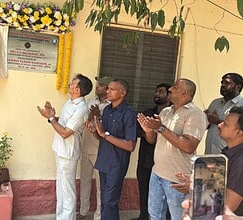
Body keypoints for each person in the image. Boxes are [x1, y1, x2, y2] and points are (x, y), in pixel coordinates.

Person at [137, 78, 207, 220]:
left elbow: (189, 146)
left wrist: (161, 128)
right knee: (154, 214)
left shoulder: (195, 114)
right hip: (157, 173)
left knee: (178, 217)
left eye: (175, 87)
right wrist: (149, 131)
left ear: (185, 93)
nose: (170, 89)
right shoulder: (166, 112)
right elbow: (154, 140)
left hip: (177, 178)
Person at [37, 74, 93, 220]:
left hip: (68, 153)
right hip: (60, 149)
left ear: (78, 89)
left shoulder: (81, 109)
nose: (69, 84)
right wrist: (51, 116)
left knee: (68, 190)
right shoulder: (70, 103)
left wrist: (50, 118)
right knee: (61, 188)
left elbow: (65, 133)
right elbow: (61, 124)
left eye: (72, 83)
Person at [87, 78, 137, 220]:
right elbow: (101, 137)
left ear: (122, 93)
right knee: (104, 201)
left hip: (116, 164)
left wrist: (105, 134)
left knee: (110, 202)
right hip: (103, 161)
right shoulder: (107, 110)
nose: (107, 91)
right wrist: (95, 131)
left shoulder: (128, 113)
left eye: (112, 89)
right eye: (107, 88)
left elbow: (130, 146)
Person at [134, 83, 171, 220]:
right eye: (156, 91)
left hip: (165, 163)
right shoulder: (147, 113)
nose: (157, 94)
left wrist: (158, 130)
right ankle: (143, 216)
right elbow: (137, 131)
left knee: (164, 196)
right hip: (145, 160)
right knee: (144, 190)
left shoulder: (171, 115)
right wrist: (148, 132)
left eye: (161, 92)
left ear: (169, 95)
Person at [78, 76, 112, 220]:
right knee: (85, 181)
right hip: (86, 148)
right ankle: (83, 211)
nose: (97, 87)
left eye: (101, 85)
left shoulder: (111, 105)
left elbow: (107, 130)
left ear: (108, 89)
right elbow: (85, 120)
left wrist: (98, 115)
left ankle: (99, 215)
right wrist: (93, 114)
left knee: (100, 186)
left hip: (100, 151)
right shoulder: (93, 101)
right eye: (98, 84)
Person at [219, 106, 243, 219]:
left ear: (238, 133)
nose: (219, 125)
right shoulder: (232, 153)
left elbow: (228, 206)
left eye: (225, 124)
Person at [205, 73, 243, 154]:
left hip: (229, 155)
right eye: (222, 83)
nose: (223, 85)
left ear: (238, 87)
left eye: (227, 83)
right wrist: (205, 119)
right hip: (209, 153)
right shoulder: (215, 103)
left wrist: (218, 121)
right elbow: (207, 126)